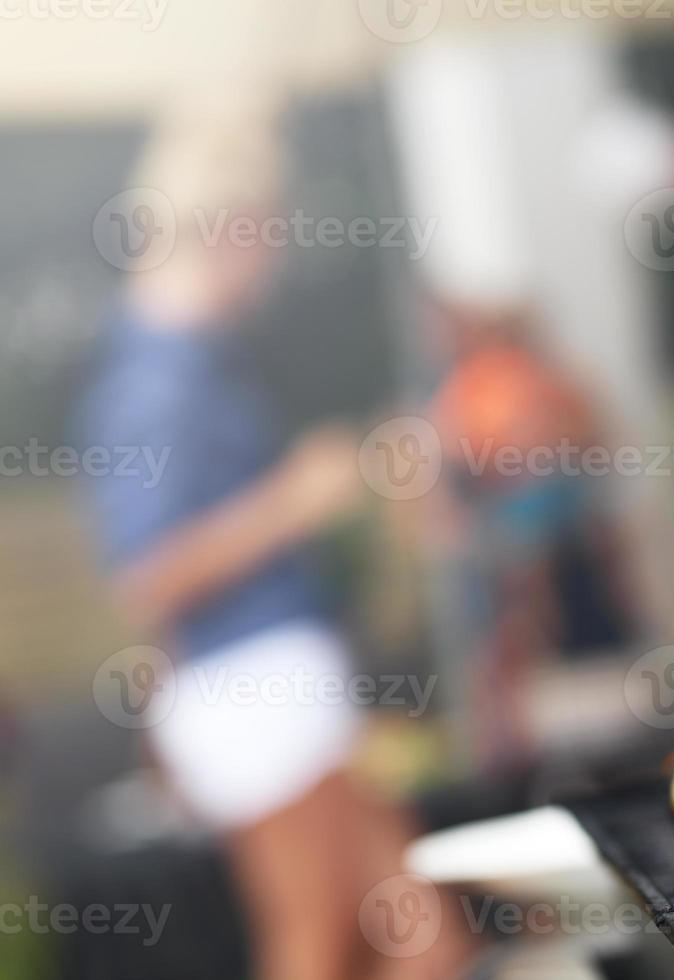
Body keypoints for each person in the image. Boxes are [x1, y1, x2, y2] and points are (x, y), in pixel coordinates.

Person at [74, 96, 470, 980]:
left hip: (264, 686)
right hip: (254, 692)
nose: (278, 257)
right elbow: (145, 575)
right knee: (318, 942)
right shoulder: (158, 376)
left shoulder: (185, 361)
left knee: (419, 941)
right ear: (235, 227)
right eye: (273, 231)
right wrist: (294, 500)